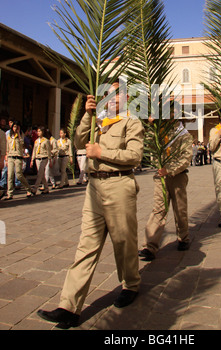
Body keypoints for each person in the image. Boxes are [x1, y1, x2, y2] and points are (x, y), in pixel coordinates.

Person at [37, 81, 144, 328]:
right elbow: (77, 142)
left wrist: (101, 154)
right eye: (107, 95)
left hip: (119, 186)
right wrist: (87, 114)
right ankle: (69, 307)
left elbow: (135, 156)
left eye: (116, 95)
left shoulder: (131, 121)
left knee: (123, 242)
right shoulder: (99, 122)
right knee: (86, 246)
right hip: (94, 188)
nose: (111, 99)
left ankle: (131, 284)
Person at [139, 115, 193, 261]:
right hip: (160, 177)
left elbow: (186, 158)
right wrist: (151, 127)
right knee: (159, 208)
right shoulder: (159, 131)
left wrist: (169, 169)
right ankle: (150, 246)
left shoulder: (183, 134)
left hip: (178, 177)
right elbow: (148, 143)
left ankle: (183, 238)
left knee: (179, 209)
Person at [2, 121, 33, 200]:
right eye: (14, 127)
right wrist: (6, 154)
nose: (16, 128)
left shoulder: (21, 135)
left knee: (19, 174)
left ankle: (28, 188)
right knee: (10, 175)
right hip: (10, 156)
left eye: (17, 127)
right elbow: (7, 145)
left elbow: (22, 145)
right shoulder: (9, 135)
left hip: (18, 156)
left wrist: (18, 134)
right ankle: (10, 193)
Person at [30, 126, 52, 195]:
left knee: (39, 173)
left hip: (44, 158)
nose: (38, 133)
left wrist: (50, 160)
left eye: (39, 131)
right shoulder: (36, 141)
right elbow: (34, 150)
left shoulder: (46, 141)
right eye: (37, 131)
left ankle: (35, 189)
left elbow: (48, 151)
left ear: (43, 132)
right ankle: (46, 188)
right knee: (41, 174)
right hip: (37, 158)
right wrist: (32, 160)